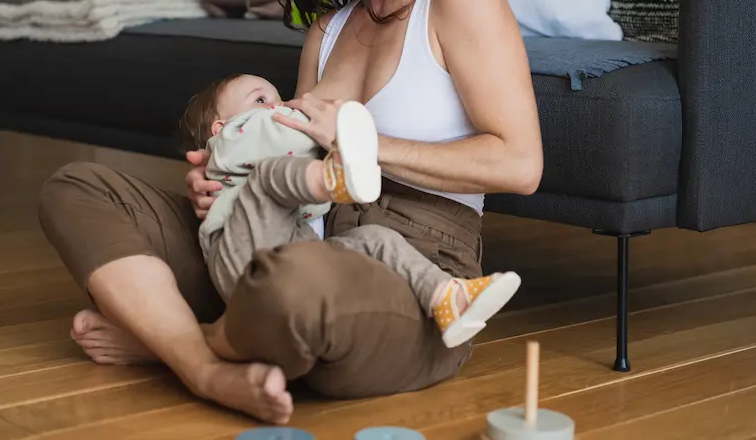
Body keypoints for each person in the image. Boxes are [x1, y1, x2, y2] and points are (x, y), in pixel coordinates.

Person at [36, 0, 543, 426]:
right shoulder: (327, 33)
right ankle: (204, 362)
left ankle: (170, 341)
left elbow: (520, 164)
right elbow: (292, 174)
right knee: (80, 188)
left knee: (295, 286)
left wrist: (367, 147)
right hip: (293, 239)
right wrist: (224, 187)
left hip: (412, 272)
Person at [179, 72, 523, 357]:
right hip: (241, 256)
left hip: (292, 260)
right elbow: (272, 144)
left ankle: (447, 297)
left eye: (277, 98)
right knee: (271, 175)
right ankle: (332, 178)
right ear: (221, 129)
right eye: (260, 101)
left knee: (373, 240)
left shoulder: (262, 137)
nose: (278, 107)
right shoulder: (234, 141)